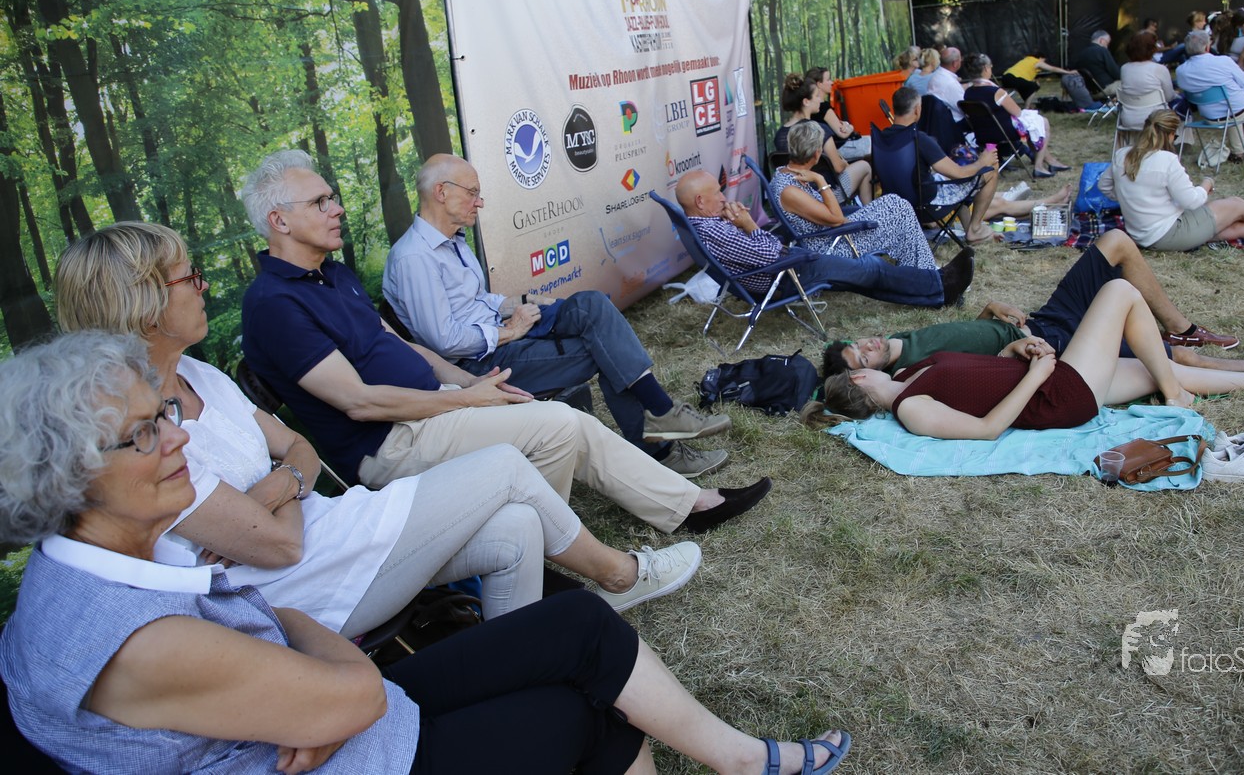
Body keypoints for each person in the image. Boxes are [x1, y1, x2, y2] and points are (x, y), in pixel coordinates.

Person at [0, 332, 852, 775]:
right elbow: (356, 694)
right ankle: (628, 579)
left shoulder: (118, 558)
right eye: (143, 433)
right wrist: (320, 689)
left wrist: (307, 679)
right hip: (361, 751)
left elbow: (284, 622)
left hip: (340, 726)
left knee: (578, 629)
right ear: (66, 475)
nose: (177, 438)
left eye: (165, 415)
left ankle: (738, 758)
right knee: (585, 713)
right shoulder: (131, 637)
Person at [52, 221, 703, 629]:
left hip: (329, 526)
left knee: (517, 525)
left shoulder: (202, 376)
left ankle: (526, 660)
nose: (203, 287)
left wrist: (275, 489)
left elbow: (297, 450)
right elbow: (278, 547)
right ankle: (618, 574)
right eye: (188, 277)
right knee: (517, 458)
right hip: (292, 589)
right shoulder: (131, 430)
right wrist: (290, 485)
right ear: (144, 303)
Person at [239, 150, 771, 536]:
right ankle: (622, 501)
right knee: (565, 418)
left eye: (332, 198)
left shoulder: (333, 276)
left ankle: (679, 500)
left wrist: (475, 383)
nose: (336, 209)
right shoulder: (275, 304)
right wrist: (472, 391)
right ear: (278, 220)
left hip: (442, 398)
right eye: (320, 202)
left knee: (579, 370)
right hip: (394, 438)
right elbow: (360, 402)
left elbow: (409, 348)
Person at [384, 154, 730, 477]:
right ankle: (662, 436)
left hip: (502, 335)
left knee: (592, 305)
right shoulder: (415, 258)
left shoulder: (454, 242)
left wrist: (523, 301)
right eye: (472, 193)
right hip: (479, 366)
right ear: (441, 192)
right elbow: (443, 340)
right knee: (608, 351)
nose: (480, 202)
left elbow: (476, 301)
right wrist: (510, 332)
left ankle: (662, 424)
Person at [821, 232, 1244, 395]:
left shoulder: (901, 336)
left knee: (1115, 242)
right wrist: (1017, 347)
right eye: (861, 358)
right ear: (866, 375)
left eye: (859, 343)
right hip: (1055, 348)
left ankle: (1185, 326)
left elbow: (972, 326)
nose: (867, 347)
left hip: (1043, 318)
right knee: (1169, 360)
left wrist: (993, 308)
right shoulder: (910, 373)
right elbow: (982, 376)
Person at [821, 280, 1210, 437]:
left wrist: (1012, 352)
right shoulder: (910, 409)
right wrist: (1035, 376)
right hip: (1057, 395)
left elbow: (977, 383)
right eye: (860, 365)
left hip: (1047, 375)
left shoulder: (907, 373)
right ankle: (1175, 396)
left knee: (1150, 370)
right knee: (1120, 290)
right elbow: (987, 428)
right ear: (858, 380)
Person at [675, 169, 971, 308]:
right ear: (700, 201)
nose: (723, 197)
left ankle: (935, 293)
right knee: (871, 270)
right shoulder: (713, 230)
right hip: (787, 273)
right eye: (717, 192)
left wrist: (742, 227)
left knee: (864, 277)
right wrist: (749, 225)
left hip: (784, 268)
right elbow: (769, 253)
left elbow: (759, 251)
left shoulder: (704, 224)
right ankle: (940, 285)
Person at [1100, 110, 1244, 252]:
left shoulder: (1122, 154)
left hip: (1144, 234)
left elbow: (1104, 186)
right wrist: (1207, 184)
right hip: (1168, 232)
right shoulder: (1166, 160)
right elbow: (1192, 201)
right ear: (1171, 134)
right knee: (1236, 205)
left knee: (1233, 227)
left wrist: (1132, 198)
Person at [770, 122, 938, 268]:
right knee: (901, 211)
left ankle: (919, 268)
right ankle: (925, 270)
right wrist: (820, 180)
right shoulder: (790, 190)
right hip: (831, 246)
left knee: (894, 201)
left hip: (834, 234)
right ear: (817, 154)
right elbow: (837, 219)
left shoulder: (785, 174)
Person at [879, 85, 1003, 244]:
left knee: (945, 178)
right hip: (926, 205)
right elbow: (959, 173)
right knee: (990, 170)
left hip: (895, 203)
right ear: (917, 110)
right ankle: (975, 229)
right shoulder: (919, 139)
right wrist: (982, 162)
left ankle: (968, 228)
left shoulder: (881, 137)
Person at [960, 53, 1069, 178]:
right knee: (1041, 122)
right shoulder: (996, 92)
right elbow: (1017, 112)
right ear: (985, 68)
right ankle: (1039, 167)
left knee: (1034, 125)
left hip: (982, 134)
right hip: (1004, 132)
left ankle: (1051, 161)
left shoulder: (968, 93)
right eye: (990, 66)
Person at [775, 73, 872, 204]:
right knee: (865, 166)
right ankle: (867, 211)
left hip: (796, 197)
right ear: (806, 101)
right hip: (825, 194)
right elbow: (838, 168)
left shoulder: (779, 135)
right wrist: (844, 162)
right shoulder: (819, 130)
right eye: (816, 96)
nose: (820, 100)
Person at [1173, 29, 1244, 161]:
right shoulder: (1223, 61)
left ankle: (1238, 152)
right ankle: (1238, 151)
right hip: (1236, 112)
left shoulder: (1181, 71)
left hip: (1209, 116)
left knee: (1231, 108)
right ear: (1207, 47)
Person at [1118, 30, 1176, 139]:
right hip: (1156, 120)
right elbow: (1169, 97)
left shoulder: (1124, 68)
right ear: (1152, 49)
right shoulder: (1159, 69)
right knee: (1182, 110)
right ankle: (1177, 144)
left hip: (1129, 119)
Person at [806, 66, 870, 160]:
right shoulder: (823, 107)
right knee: (877, 143)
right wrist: (850, 127)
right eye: (828, 79)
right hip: (840, 149)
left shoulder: (810, 108)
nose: (832, 82)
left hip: (829, 152)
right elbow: (842, 133)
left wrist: (845, 126)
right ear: (819, 84)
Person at [999, 48, 1074, 104]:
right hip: (1014, 78)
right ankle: (1027, 109)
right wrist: (1068, 72)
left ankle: (1028, 105)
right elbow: (1052, 68)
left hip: (1005, 78)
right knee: (1035, 86)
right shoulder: (1037, 62)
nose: (1044, 63)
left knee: (1026, 87)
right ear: (1041, 58)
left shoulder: (1026, 60)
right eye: (1044, 60)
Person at [1070, 30, 1122, 97]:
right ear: (1101, 40)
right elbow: (1117, 74)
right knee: (1129, 83)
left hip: (1089, 91)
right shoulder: (1102, 51)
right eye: (1107, 43)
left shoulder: (1082, 53)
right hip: (1105, 89)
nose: (1107, 46)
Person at [930, 45, 968, 121]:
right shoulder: (951, 83)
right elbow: (966, 109)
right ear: (955, 63)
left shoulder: (934, 76)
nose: (961, 61)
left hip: (938, 121)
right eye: (960, 59)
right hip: (955, 124)